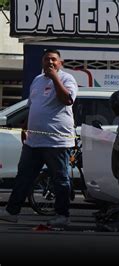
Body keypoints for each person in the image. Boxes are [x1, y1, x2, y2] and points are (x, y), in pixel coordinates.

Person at [0, 49, 78, 227]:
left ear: (60, 63)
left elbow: (67, 99)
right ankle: (12, 211)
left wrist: (54, 78)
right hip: (34, 140)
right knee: (24, 175)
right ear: (42, 62)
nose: (50, 63)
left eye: (53, 60)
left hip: (57, 141)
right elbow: (32, 106)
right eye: (46, 60)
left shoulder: (67, 79)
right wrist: (26, 126)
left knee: (60, 179)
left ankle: (62, 215)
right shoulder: (36, 80)